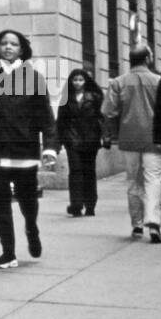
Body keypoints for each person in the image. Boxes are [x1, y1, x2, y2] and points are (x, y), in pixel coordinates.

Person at [0, 29, 57, 269]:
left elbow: (46, 117)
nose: (8, 47)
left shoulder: (33, 78)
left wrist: (50, 148)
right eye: (3, 43)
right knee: (0, 203)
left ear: (21, 49)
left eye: (13, 44)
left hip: (24, 151)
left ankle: (31, 227)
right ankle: (8, 252)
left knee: (28, 200)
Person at [102, 45, 161, 243]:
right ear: (147, 59)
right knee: (153, 179)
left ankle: (136, 224)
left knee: (133, 181)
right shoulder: (158, 81)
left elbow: (108, 111)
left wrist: (111, 131)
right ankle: (153, 222)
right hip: (155, 139)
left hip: (128, 139)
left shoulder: (119, 82)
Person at [56, 68, 105, 217]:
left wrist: (104, 136)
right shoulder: (66, 98)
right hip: (72, 139)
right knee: (75, 171)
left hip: (91, 139)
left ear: (86, 81)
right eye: (75, 80)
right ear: (71, 81)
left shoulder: (95, 97)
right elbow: (60, 121)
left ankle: (90, 204)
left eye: (80, 80)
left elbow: (102, 118)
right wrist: (59, 141)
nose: (77, 83)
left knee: (89, 172)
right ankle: (76, 204)